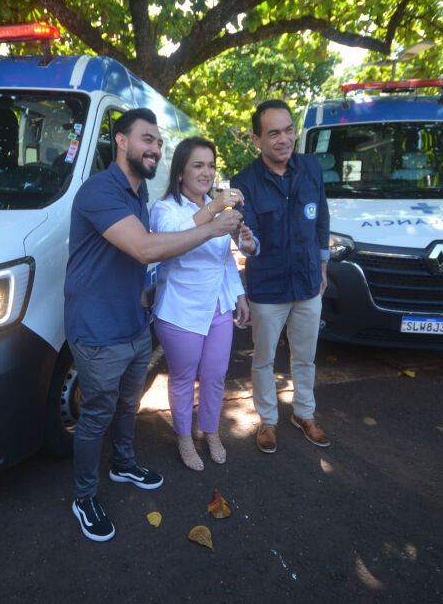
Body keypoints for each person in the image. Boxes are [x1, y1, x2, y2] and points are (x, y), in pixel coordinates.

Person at [64, 108, 241, 541]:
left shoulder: (137, 192)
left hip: (133, 320)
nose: (155, 149)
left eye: (159, 143)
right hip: (97, 326)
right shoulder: (99, 190)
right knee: (96, 416)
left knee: (128, 405)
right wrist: (214, 226)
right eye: (147, 139)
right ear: (121, 141)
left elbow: (140, 259)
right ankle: (84, 496)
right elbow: (144, 249)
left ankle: (123, 465)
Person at [231, 99, 331, 454]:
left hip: (307, 283)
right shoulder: (244, 182)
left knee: (305, 356)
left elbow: (321, 219)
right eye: (273, 133)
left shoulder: (312, 168)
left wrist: (322, 264)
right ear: (257, 140)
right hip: (268, 288)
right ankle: (268, 420)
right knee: (263, 359)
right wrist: (249, 243)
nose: (284, 139)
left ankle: (304, 414)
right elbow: (249, 238)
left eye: (289, 130)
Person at [150, 137, 256, 471]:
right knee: (182, 377)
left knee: (215, 375)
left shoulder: (218, 208)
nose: (206, 172)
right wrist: (213, 213)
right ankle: (183, 437)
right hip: (179, 310)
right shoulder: (164, 208)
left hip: (218, 307)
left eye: (211, 165)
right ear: (180, 171)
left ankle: (210, 431)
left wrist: (238, 294)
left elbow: (224, 259)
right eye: (198, 165)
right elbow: (170, 239)